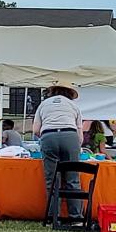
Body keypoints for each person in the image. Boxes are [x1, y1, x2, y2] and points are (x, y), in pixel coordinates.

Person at [33, 80, 84, 220]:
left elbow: (36, 130)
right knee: (72, 179)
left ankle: (52, 217)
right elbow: (80, 134)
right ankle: (76, 218)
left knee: (52, 179)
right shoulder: (74, 106)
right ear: (70, 93)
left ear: (52, 91)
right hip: (70, 136)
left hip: (49, 136)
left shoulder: (43, 105)